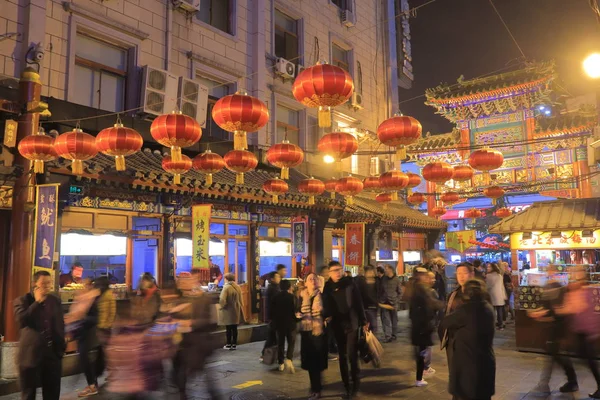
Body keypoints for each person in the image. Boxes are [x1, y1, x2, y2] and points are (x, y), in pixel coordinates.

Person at [14, 270, 66, 400]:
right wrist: (36, 303)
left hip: (52, 353)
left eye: (49, 283)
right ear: (34, 284)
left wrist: (61, 348)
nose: (47, 286)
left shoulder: (55, 300)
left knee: (52, 392)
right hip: (30, 355)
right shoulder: (23, 301)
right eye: (43, 283)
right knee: (28, 394)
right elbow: (22, 321)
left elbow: (59, 324)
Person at [441, 279, 496, 400]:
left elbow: (446, 321)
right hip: (485, 361)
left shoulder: (467, 309)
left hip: (468, 363)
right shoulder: (487, 307)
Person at [171, 270, 220, 400]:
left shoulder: (204, 298)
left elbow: (212, 322)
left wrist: (191, 323)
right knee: (180, 379)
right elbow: (172, 320)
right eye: (180, 280)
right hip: (182, 346)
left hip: (199, 345)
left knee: (205, 379)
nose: (182, 282)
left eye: (186, 279)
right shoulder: (179, 300)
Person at [528, 264, 575, 396]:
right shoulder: (548, 287)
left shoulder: (559, 288)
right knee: (556, 356)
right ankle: (571, 380)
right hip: (552, 327)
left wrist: (539, 313)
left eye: (551, 270)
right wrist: (537, 312)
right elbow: (546, 307)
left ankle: (544, 385)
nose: (549, 273)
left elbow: (556, 310)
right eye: (548, 270)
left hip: (557, 327)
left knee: (552, 355)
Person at [554, 266, 600, 398]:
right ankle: (572, 382)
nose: (573, 277)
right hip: (578, 330)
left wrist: (558, 310)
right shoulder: (575, 290)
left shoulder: (585, 291)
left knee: (589, 359)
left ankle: (574, 382)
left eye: (576, 274)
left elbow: (576, 308)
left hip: (587, 331)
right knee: (582, 356)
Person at [322, 261, 367, 398]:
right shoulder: (328, 287)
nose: (337, 272)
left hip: (352, 323)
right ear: (329, 273)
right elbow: (326, 305)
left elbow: (358, 302)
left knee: (352, 354)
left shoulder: (350, 283)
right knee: (342, 356)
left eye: (339, 269)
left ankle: (355, 382)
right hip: (337, 325)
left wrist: (364, 320)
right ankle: (346, 384)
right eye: (334, 270)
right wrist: (325, 316)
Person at [439, 262, 474, 385]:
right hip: (453, 342)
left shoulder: (478, 295)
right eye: (459, 273)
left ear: (472, 274)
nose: (461, 276)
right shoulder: (453, 294)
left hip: (470, 344)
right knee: (455, 376)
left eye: (464, 273)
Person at [410, 268, 444, 387]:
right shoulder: (422, 289)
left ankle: (422, 372)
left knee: (421, 351)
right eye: (425, 276)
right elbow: (429, 305)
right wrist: (440, 305)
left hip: (419, 326)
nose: (429, 279)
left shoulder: (416, 288)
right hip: (422, 326)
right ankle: (420, 377)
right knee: (421, 352)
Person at [299, 273, 328, 400]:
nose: (312, 281)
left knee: (317, 362)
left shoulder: (323, 295)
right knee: (310, 363)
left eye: (314, 279)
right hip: (306, 332)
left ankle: (316, 388)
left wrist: (325, 316)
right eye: (310, 279)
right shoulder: (300, 296)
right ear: (305, 283)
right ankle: (315, 386)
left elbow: (329, 311)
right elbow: (295, 310)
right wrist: (297, 315)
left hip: (318, 333)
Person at [94, 276, 116, 386]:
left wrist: (108, 324)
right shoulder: (100, 294)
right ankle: (103, 372)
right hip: (99, 326)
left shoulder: (108, 295)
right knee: (103, 351)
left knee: (106, 352)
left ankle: (110, 373)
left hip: (105, 328)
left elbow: (112, 312)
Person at [272, 279, 298, 373]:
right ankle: (289, 359)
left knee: (280, 343)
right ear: (289, 287)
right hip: (290, 324)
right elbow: (295, 310)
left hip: (279, 324)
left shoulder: (275, 297)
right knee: (291, 342)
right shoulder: (292, 297)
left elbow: (272, 311)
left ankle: (281, 363)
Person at [219, 273, 244, 350]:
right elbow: (241, 299)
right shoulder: (238, 287)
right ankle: (234, 344)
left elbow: (222, 299)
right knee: (234, 328)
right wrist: (241, 306)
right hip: (236, 309)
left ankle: (228, 344)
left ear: (226, 279)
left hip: (228, 310)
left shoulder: (226, 287)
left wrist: (222, 306)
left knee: (228, 328)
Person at [380, 264, 402, 343]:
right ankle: (388, 336)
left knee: (394, 320)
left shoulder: (396, 280)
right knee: (386, 320)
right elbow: (380, 290)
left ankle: (394, 335)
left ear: (391, 270)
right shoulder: (383, 279)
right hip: (384, 303)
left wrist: (397, 300)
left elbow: (400, 292)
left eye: (386, 268)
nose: (385, 270)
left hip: (393, 303)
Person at [261, 272, 281, 361]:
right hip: (274, 316)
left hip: (274, 316)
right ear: (272, 279)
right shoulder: (272, 289)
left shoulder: (275, 287)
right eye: (277, 277)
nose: (279, 278)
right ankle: (264, 354)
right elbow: (273, 304)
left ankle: (273, 355)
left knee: (273, 337)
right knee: (271, 336)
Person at [356, 266, 380, 334]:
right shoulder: (361, 282)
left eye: (371, 272)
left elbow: (380, 293)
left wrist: (377, 302)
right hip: (364, 307)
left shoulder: (377, 282)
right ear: (365, 273)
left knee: (373, 325)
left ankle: (372, 340)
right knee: (365, 326)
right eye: (369, 272)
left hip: (373, 307)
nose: (371, 273)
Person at [486, 262, 507, 330]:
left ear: (492, 268)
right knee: (499, 310)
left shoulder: (489, 276)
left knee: (492, 311)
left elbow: (488, 286)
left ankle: (492, 324)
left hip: (492, 295)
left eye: (489, 267)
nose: (487, 268)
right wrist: (504, 295)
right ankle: (500, 325)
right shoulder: (499, 275)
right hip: (500, 295)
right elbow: (502, 286)